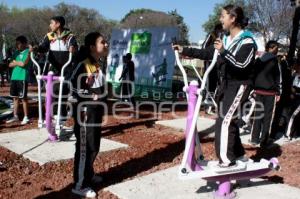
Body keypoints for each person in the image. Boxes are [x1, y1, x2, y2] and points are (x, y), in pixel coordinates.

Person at [174, 5, 257, 168]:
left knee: (225, 122)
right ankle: (239, 154)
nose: (220, 19)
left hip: (240, 85)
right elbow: (206, 53)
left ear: (233, 19)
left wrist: (224, 52)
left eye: (223, 16)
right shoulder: (225, 39)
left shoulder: (248, 41)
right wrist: (184, 49)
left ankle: (227, 160)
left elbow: (242, 66)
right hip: (225, 86)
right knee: (226, 120)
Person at [70, 32, 108, 198]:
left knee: (95, 146)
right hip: (85, 113)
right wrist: (88, 94)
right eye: (103, 42)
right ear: (92, 46)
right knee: (85, 148)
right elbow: (71, 85)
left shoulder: (98, 64)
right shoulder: (83, 64)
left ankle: (89, 174)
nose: (106, 44)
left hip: (95, 112)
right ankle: (80, 184)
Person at [30, 16, 78, 121]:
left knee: (63, 89)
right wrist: (35, 48)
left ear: (58, 24)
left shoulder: (70, 36)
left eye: (51, 23)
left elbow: (74, 47)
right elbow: (43, 47)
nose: (50, 25)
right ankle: (56, 114)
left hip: (66, 67)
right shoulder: (49, 36)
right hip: (54, 67)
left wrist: (73, 49)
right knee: (54, 89)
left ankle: (62, 114)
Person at [249, 41, 282, 148]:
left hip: (258, 91)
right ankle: (264, 140)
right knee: (268, 117)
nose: (277, 51)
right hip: (270, 93)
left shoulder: (258, 60)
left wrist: (253, 88)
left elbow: (253, 74)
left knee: (257, 115)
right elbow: (278, 77)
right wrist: (278, 92)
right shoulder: (275, 61)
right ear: (271, 48)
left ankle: (254, 139)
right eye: (276, 48)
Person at [6, 36, 31, 125]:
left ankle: (26, 117)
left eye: (19, 43)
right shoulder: (16, 52)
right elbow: (9, 64)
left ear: (24, 43)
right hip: (14, 77)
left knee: (23, 98)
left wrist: (16, 63)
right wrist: (17, 63)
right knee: (15, 98)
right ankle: (15, 116)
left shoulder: (28, 52)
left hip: (22, 78)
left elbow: (23, 64)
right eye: (16, 43)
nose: (17, 45)